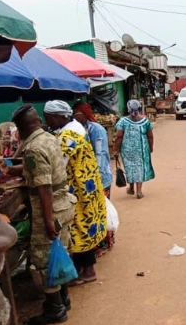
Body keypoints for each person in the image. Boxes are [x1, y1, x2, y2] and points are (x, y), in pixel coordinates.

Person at [0, 104, 76, 324]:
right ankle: (63, 298)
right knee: (59, 252)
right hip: (64, 204)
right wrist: (10, 168)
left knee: (43, 259)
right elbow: (38, 170)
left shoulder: (33, 148)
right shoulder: (49, 138)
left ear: (22, 127)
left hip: (50, 209)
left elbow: (44, 186)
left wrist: (48, 220)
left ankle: (56, 309)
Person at [44, 100, 107, 286]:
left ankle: (88, 271)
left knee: (80, 228)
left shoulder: (68, 135)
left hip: (79, 189)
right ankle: (81, 268)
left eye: (48, 118)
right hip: (86, 184)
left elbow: (57, 166)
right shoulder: (76, 127)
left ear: (57, 116)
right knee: (82, 228)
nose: (47, 122)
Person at [72, 102, 115, 257]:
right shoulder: (80, 129)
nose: (75, 117)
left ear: (84, 113)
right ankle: (97, 242)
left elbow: (100, 154)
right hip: (89, 177)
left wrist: (94, 175)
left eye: (77, 114)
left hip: (100, 177)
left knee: (101, 210)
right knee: (94, 211)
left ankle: (105, 243)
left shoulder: (96, 129)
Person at [113, 100, 155, 199]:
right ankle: (139, 191)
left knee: (130, 167)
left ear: (128, 109)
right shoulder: (145, 121)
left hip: (127, 150)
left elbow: (118, 136)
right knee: (139, 167)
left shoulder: (123, 121)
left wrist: (115, 149)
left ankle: (131, 188)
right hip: (142, 149)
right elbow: (150, 136)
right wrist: (151, 147)